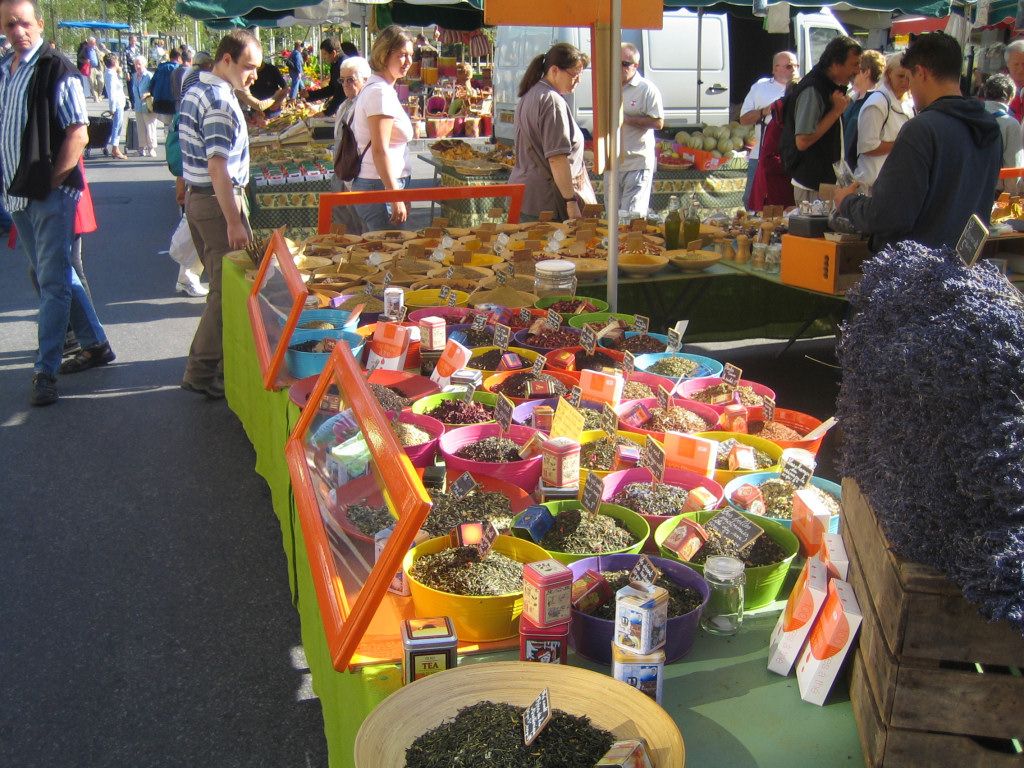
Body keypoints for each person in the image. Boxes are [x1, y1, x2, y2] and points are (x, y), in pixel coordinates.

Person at [0, 0, 114, 406]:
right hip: (15, 194)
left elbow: (78, 134)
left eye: (24, 23)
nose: (18, 31)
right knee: (55, 273)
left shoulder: (56, 68)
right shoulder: (6, 71)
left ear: (39, 23)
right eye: (10, 24)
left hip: (48, 195)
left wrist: (51, 183)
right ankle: (96, 343)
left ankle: (44, 370)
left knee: (51, 282)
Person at [834, 33, 1001, 253]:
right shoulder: (989, 127)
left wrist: (847, 202)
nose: (909, 88)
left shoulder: (922, 129)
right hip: (961, 267)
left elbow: (888, 215)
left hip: (915, 271)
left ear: (921, 72)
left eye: (910, 78)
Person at [178, 29, 259, 399]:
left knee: (222, 286)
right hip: (216, 201)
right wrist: (233, 220)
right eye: (248, 67)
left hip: (201, 199)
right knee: (227, 290)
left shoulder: (196, 88)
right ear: (226, 59)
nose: (253, 75)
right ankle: (202, 370)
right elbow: (218, 168)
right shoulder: (219, 102)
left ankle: (216, 366)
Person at [508, 42, 596, 221]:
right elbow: (557, 158)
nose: (578, 81)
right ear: (555, 70)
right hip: (546, 202)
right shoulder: (552, 101)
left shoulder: (531, 94)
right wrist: (571, 201)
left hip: (526, 195)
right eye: (574, 74)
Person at [780, 36, 862, 203]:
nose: (858, 70)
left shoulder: (828, 86)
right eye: (854, 64)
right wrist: (836, 111)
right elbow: (802, 140)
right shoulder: (813, 89)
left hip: (824, 184)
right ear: (836, 63)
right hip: (811, 187)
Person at [349, 25, 414, 231]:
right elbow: (380, 150)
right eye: (402, 55)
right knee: (386, 254)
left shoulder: (381, 89)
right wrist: (394, 195)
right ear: (385, 54)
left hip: (381, 184)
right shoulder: (380, 93)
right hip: (378, 184)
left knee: (385, 253)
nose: (408, 62)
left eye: (410, 55)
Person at [739, 51, 798, 207]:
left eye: (796, 66)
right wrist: (764, 111)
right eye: (790, 66)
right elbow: (744, 119)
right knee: (752, 202)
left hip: (793, 157)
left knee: (787, 203)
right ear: (775, 69)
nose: (794, 69)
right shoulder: (760, 88)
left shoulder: (802, 88)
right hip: (761, 155)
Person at [853, 52, 914, 193]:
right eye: (900, 76)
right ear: (888, 74)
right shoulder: (877, 103)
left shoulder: (908, 104)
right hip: (872, 185)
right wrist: (902, 145)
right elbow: (867, 146)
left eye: (908, 77)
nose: (905, 82)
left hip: (893, 185)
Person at [617, 42, 663, 217]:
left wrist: (627, 119)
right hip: (613, 164)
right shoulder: (608, 86)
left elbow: (658, 122)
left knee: (630, 217)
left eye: (625, 64)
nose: (619, 67)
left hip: (637, 162)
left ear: (635, 66)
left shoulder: (646, 89)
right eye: (616, 62)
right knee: (612, 217)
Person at [330, 55, 371, 235]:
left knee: (362, 227)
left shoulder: (366, 104)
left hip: (358, 175)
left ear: (365, 80)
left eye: (351, 80)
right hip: (342, 172)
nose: (345, 84)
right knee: (345, 228)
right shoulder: (344, 105)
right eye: (342, 80)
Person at [747, 80, 798, 212]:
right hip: (773, 192)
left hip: (782, 188)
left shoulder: (785, 121)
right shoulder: (778, 125)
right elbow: (768, 161)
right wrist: (796, 164)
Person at [982, 73, 1024, 194]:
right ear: (1010, 97)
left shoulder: (970, 117)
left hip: (968, 188)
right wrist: (1012, 198)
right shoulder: (1010, 124)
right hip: (995, 193)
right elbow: (1013, 165)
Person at [842, 49, 884, 158]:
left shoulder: (874, 103)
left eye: (857, 69)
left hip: (860, 169)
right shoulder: (851, 99)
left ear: (866, 72)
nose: (851, 73)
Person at [305, 37, 344, 116]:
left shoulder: (344, 65)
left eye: (325, 54)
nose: (323, 57)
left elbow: (341, 93)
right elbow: (332, 88)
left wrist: (327, 112)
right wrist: (310, 95)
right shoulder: (335, 64)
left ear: (333, 53)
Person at [131, 56, 158, 157]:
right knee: (140, 128)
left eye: (139, 64)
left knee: (150, 127)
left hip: (148, 105)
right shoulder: (134, 76)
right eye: (136, 64)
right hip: (138, 106)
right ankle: (141, 148)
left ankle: (152, 148)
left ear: (144, 64)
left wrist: (147, 94)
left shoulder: (149, 76)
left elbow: (155, 89)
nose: (137, 66)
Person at [102, 53, 127, 159]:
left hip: (119, 102)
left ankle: (113, 147)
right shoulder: (111, 75)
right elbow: (112, 93)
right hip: (117, 104)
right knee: (117, 126)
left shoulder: (112, 73)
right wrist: (112, 108)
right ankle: (115, 148)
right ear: (115, 62)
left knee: (118, 125)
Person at [148, 47, 180, 121]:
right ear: (178, 57)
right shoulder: (178, 69)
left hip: (158, 102)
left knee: (166, 124)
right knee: (172, 126)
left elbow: (152, 84)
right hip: (172, 103)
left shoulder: (160, 67)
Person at [1005, 40, 1024, 121]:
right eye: (1016, 64)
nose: (1021, 69)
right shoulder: (997, 88)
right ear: (1008, 64)